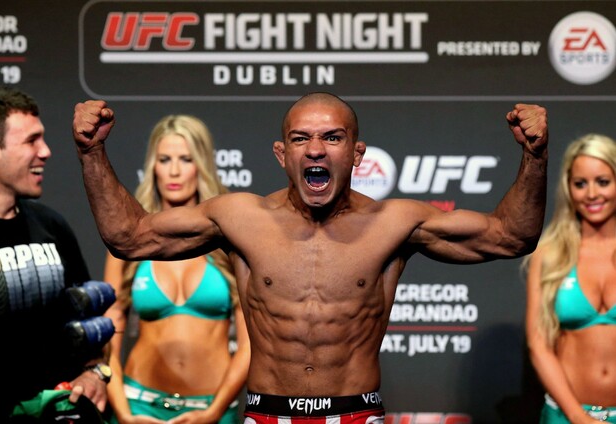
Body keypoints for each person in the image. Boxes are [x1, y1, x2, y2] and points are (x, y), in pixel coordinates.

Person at [72, 92, 548, 423]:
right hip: (266, 413)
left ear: (356, 153)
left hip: (355, 413)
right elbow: (129, 238)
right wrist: (92, 153)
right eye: (301, 139)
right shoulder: (241, 217)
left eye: (332, 138)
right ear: (282, 154)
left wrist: (534, 158)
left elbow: (511, 237)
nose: (316, 149)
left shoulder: (393, 223)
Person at [0, 86, 110, 422]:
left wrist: (94, 374)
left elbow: (90, 324)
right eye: (31, 141)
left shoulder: (51, 226)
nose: (45, 151)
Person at [102, 114, 249, 424]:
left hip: (213, 410)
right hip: (139, 406)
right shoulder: (129, 240)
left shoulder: (229, 236)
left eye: (186, 159)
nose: (174, 171)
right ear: (153, 166)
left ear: (202, 165)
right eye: (164, 159)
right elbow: (108, 340)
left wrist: (214, 412)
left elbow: (250, 345)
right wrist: (124, 414)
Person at [523, 133, 616, 423]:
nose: (592, 194)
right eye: (580, 184)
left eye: (603, 181)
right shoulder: (549, 254)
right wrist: (578, 417)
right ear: (568, 188)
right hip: (565, 416)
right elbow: (538, 343)